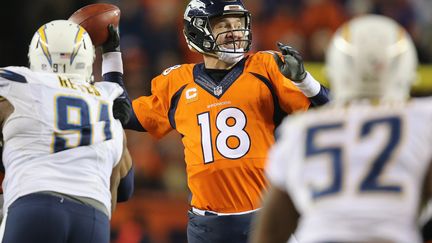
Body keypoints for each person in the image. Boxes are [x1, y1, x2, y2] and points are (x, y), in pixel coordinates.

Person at [115, 0, 330, 242]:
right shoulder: (177, 82)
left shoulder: (266, 67)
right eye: (223, 24)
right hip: (208, 224)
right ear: (197, 30)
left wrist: (304, 80)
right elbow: (125, 114)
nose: (234, 31)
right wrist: (111, 56)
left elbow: (331, 112)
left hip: (265, 214)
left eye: (238, 24)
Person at [250, 14, 432, 243]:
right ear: (406, 67)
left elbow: (271, 231)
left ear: (336, 66)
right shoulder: (422, 118)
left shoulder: (300, 129)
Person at [0, 19, 133, 243]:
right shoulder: (106, 98)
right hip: (93, 219)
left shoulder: (19, 82)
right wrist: (112, 55)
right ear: (88, 60)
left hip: (34, 205)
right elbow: (126, 188)